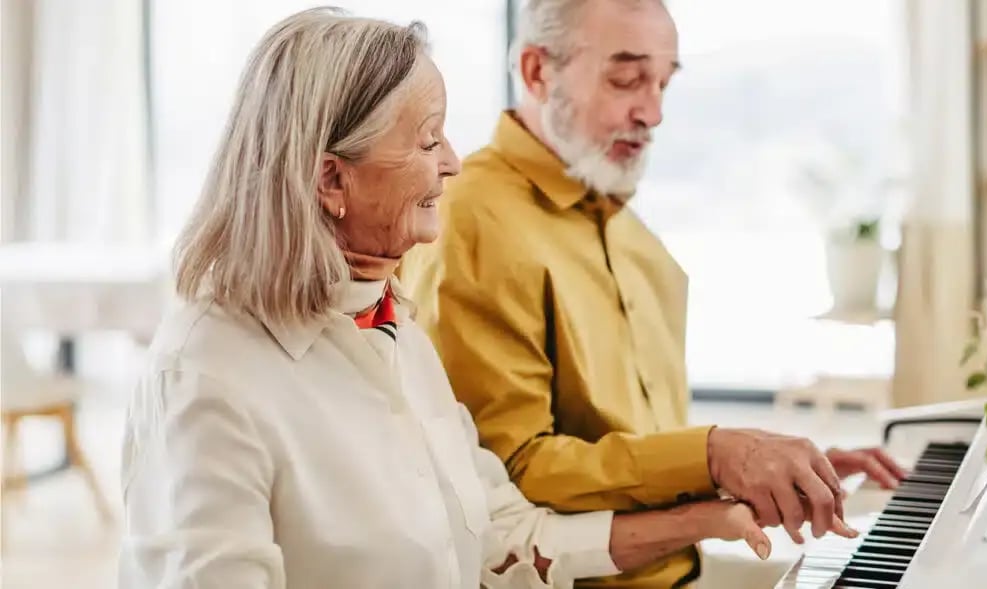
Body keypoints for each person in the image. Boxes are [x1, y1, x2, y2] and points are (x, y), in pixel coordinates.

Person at [116, 8, 808, 589]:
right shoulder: (208, 376)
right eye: (427, 139)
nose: (452, 159)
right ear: (332, 180)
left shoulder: (392, 329)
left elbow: (504, 535)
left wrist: (705, 518)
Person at [398, 0, 905, 587]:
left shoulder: (634, 237)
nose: (654, 111)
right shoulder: (471, 219)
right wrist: (716, 455)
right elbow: (506, 477)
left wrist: (760, 464)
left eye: (664, 82)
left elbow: (627, 454)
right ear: (537, 71)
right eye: (626, 78)